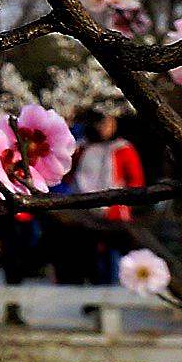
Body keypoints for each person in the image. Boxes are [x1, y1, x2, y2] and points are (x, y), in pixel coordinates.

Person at [71, 110, 144, 283]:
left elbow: (136, 181)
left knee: (113, 255)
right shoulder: (81, 149)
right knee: (90, 256)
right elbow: (70, 174)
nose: (103, 128)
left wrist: (123, 201)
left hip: (114, 213)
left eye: (108, 124)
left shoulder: (123, 149)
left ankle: (112, 290)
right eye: (100, 124)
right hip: (85, 212)